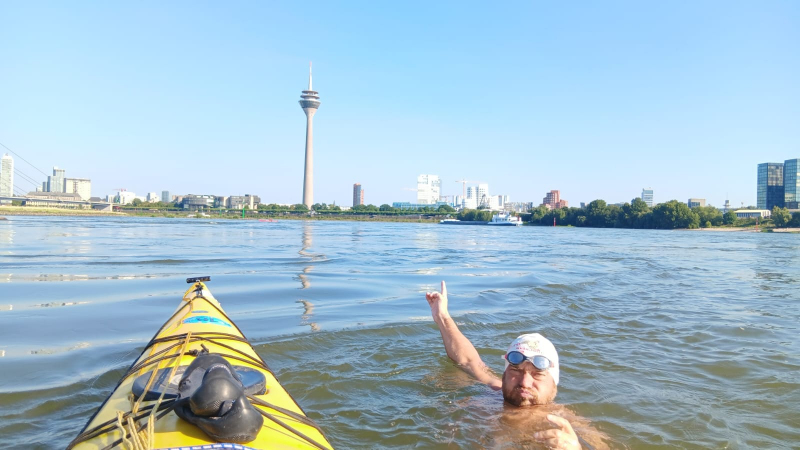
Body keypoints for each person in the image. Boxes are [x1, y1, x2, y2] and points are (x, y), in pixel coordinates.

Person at [426, 281, 600, 450]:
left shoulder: (569, 425)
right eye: (516, 370)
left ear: (554, 385)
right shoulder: (493, 394)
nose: (524, 382)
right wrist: (442, 316)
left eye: (537, 374)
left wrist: (575, 448)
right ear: (505, 374)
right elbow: (469, 361)